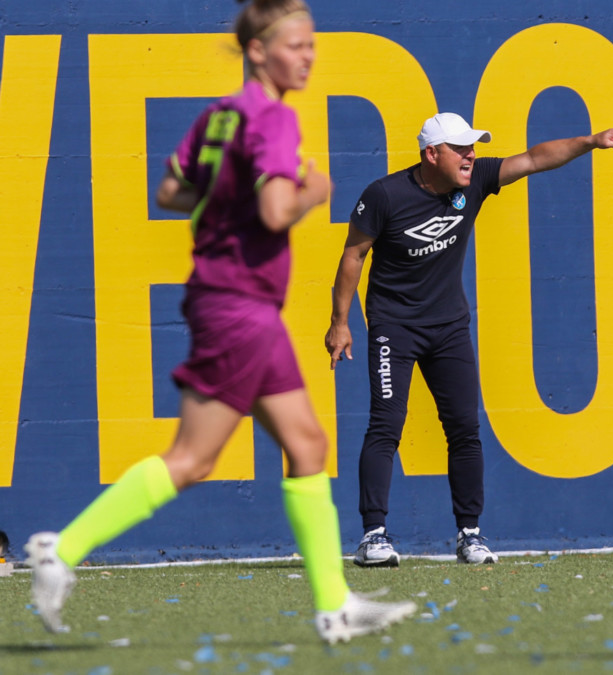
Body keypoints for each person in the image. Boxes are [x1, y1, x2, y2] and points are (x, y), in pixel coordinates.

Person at [23, 0, 415, 644]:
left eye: (312, 44)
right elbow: (274, 210)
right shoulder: (273, 118)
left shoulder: (220, 116)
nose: (309, 55)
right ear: (258, 52)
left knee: (308, 446)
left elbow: (171, 193)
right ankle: (61, 549)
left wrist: (230, 189)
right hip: (237, 307)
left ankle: (334, 606)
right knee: (192, 459)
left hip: (236, 304)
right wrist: (313, 192)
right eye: (296, 45)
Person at [325, 112, 613, 566]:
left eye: (473, 146)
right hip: (395, 327)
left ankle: (469, 535)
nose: (471, 155)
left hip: (449, 327)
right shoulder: (384, 196)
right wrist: (340, 322)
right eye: (461, 148)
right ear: (432, 154)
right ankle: (374, 537)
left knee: (464, 430)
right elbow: (354, 255)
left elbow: (532, 159)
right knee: (386, 425)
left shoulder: (474, 181)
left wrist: (589, 140)